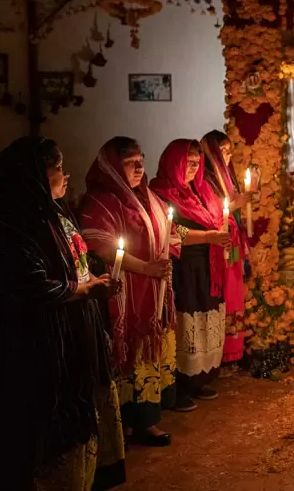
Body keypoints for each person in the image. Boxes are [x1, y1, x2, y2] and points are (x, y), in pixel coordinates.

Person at [0, 137, 124, 490]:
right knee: (45, 424)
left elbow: (76, 260)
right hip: (40, 339)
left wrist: (93, 278)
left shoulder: (55, 212)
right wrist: (86, 289)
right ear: (35, 175)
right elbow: (31, 286)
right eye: (58, 168)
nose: (66, 174)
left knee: (84, 403)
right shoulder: (15, 225)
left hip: (73, 326)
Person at [80, 137, 177, 447]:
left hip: (152, 288)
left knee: (145, 357)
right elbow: (104, 246)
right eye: (130, 162)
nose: (139, 167)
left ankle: (145, 421)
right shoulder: (101, 200)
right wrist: (146, 268)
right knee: (125, 356)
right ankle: (121, 423)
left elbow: (168, 232)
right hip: (124, 291)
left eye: (141, 159)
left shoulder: (146, 195)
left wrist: (165, 254)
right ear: (111, 166)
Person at [150, 139, 232, 411]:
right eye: (188, 163)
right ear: (173, 162)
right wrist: (210, 236)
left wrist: (221, 235)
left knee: (205, 320)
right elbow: (173, 232)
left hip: (207, 266)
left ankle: (198, 378)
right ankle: (179, 384)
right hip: (183, 266)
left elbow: (217, 219)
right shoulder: (160, 192)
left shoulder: (200, 190)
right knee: (186, 322)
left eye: (197, 163)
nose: (192, 168)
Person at [201, 130, 249, 368]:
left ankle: (234, 349)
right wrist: (233, 204)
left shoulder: (227, 176)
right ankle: (222, 353)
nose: (227, 156)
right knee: (226, 296)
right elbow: (210, 211)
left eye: (230, 151)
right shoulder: (206, 178)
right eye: (223, 151)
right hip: (220, 244)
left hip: (233, 243)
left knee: (235, 295)